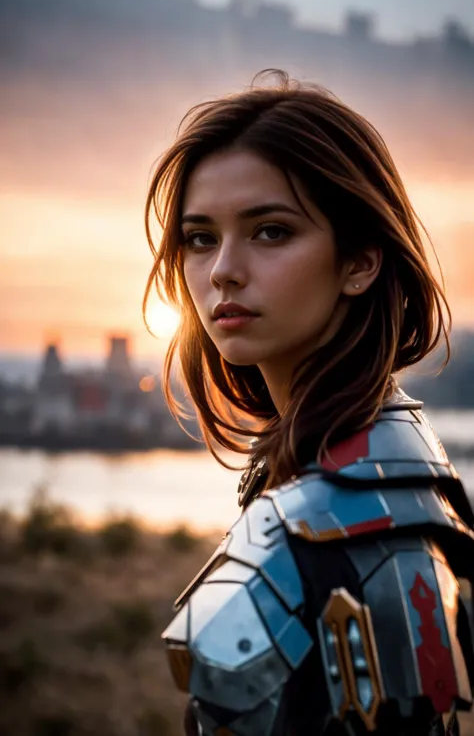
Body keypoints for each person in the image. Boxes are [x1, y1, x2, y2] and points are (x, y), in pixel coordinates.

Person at [144, 71, 474, 735]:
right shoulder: (399, 467)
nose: (221, 271)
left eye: (270, 232)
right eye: (200, 238)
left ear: (359, 262)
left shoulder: (350, 511)